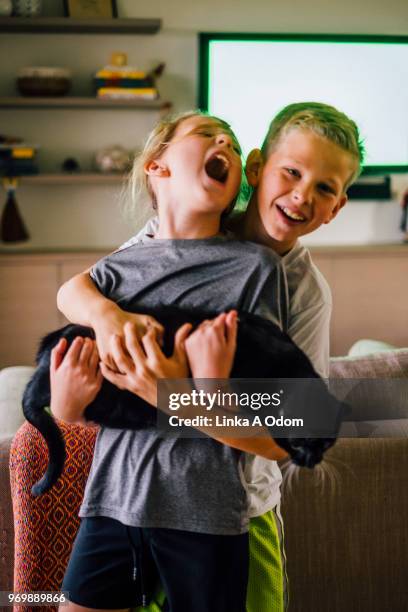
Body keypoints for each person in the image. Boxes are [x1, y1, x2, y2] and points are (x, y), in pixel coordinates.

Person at [57, 102, 365, 612]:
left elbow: (295, 433)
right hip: (129, 503)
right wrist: (106, 322)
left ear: (336, 207)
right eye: (292, 171)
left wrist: (169, 394)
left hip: (234, 510)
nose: (302, 195)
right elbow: (82, 288)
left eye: (325, 188)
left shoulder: (301, 289)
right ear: (258, 167)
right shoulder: (175, 237)